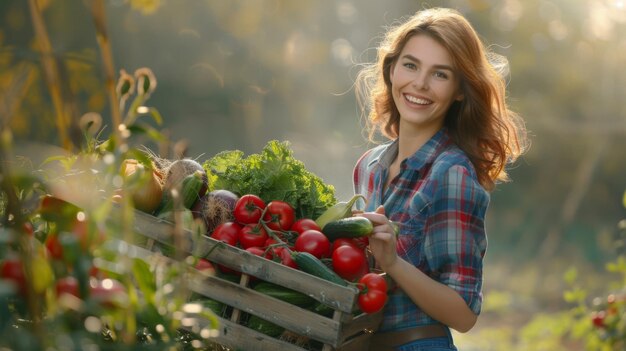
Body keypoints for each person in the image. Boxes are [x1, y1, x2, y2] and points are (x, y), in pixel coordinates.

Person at [352, 7, 528, 351]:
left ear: (460, 90)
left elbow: (464, 314)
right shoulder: (369, 166)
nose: (419, 83)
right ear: (392, 70)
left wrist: (392, 263)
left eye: (440, 74)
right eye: (411, 65)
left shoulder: (452, 174)